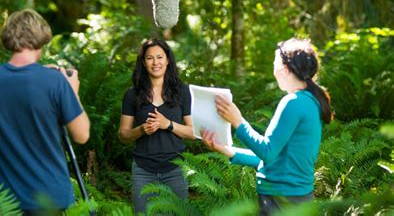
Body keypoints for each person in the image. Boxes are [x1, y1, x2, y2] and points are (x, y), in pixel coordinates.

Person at [0, 9, 90, 214]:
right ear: (41, 36)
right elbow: (82, 135)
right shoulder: (54, 82)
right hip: (50, 197)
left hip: (7, 199)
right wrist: (72, 93)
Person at [201, 38, 332, 215]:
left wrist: (238, 121)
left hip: (282, 200)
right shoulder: (310, 101)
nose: (273, 69)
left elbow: (267, 152)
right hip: (290, 199)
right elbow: (274, 159)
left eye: (274, 63)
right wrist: (225, 149)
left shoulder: (293, 102)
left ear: (285, 69)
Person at [118, 38, 195, 214]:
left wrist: (167, 124)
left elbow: (192, 132)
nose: (155, 62)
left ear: (168, 60)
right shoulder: (132, 95)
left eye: (159, 57)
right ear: (143, 63)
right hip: (143, 171)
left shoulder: (182, 91)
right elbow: (123, 135)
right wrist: (141, 130)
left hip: (175, 170)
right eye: (149, 58)